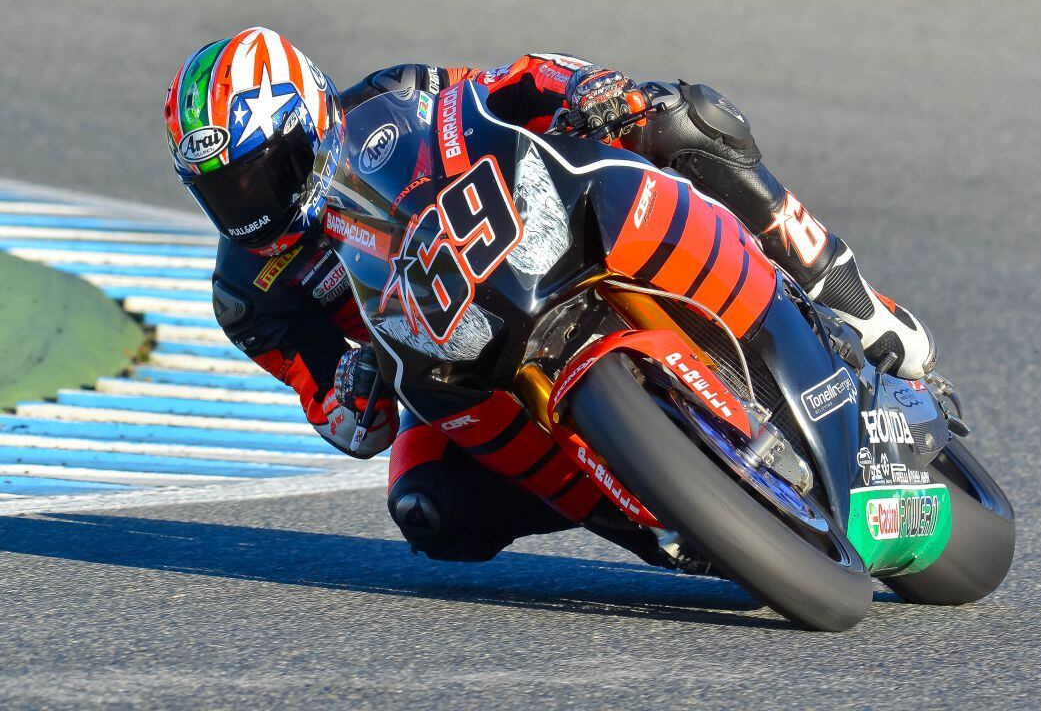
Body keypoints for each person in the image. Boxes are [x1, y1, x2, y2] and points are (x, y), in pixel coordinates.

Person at [165, 28, 936, 563]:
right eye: (225, 191)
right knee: (428, 507)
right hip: (456, 367)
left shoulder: (393, 101)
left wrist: (590, 90)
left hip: (536, 238)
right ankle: (670, 519)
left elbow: (512, 86)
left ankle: (846, 293)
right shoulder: (250, 297)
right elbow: (339, 419)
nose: (251, 203)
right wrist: (352, 389)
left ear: (310, 112)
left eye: (265, 167)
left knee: (683, 117)